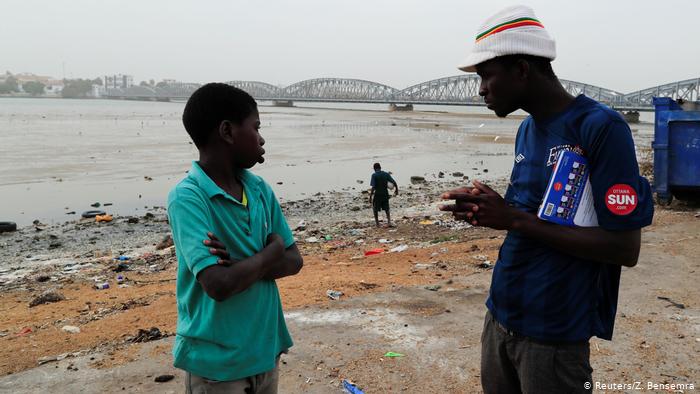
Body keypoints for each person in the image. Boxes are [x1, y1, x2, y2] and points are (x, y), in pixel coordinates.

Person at [440, 5, 653, 394]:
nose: (481, 88)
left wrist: (514, 219)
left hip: (553, 336)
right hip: (500, 318)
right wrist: (490, 209)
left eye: (487, 75)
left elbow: (624, 247)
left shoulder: (601, 128)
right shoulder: (527, 130)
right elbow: (533, 215)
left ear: (522, 70)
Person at [167, 83, 303, 394]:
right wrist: (271, 252)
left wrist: (238, 266)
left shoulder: (258, 189)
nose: (262, 138)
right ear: (228, 132)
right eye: (256, 127)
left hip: (265, 350)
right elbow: (219, 285)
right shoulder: (188, 197)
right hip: (217, 363)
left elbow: (295, 261)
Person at [369, 162, 398, 227]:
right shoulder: (386, 174)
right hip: (385, 194)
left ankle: (377, 223)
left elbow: (373, 187)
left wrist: (370, 196)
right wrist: (397, 190)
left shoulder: (374, 175)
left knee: (375, 209)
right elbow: (394, 182)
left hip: (378, 194)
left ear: (374, 168)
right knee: (386, 208)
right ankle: (389, 222)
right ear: (380, 167)